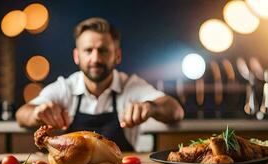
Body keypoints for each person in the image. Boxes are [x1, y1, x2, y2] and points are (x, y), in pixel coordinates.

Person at [16, 17, 184, 151]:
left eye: (103, 50)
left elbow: (175, 110)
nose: (95, 59)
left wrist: (151, 107)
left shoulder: (131, 86)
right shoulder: (65, 88)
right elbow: (22, 114)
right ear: (76, 56)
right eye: (88, 50)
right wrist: (38, 113)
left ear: (117, 55)